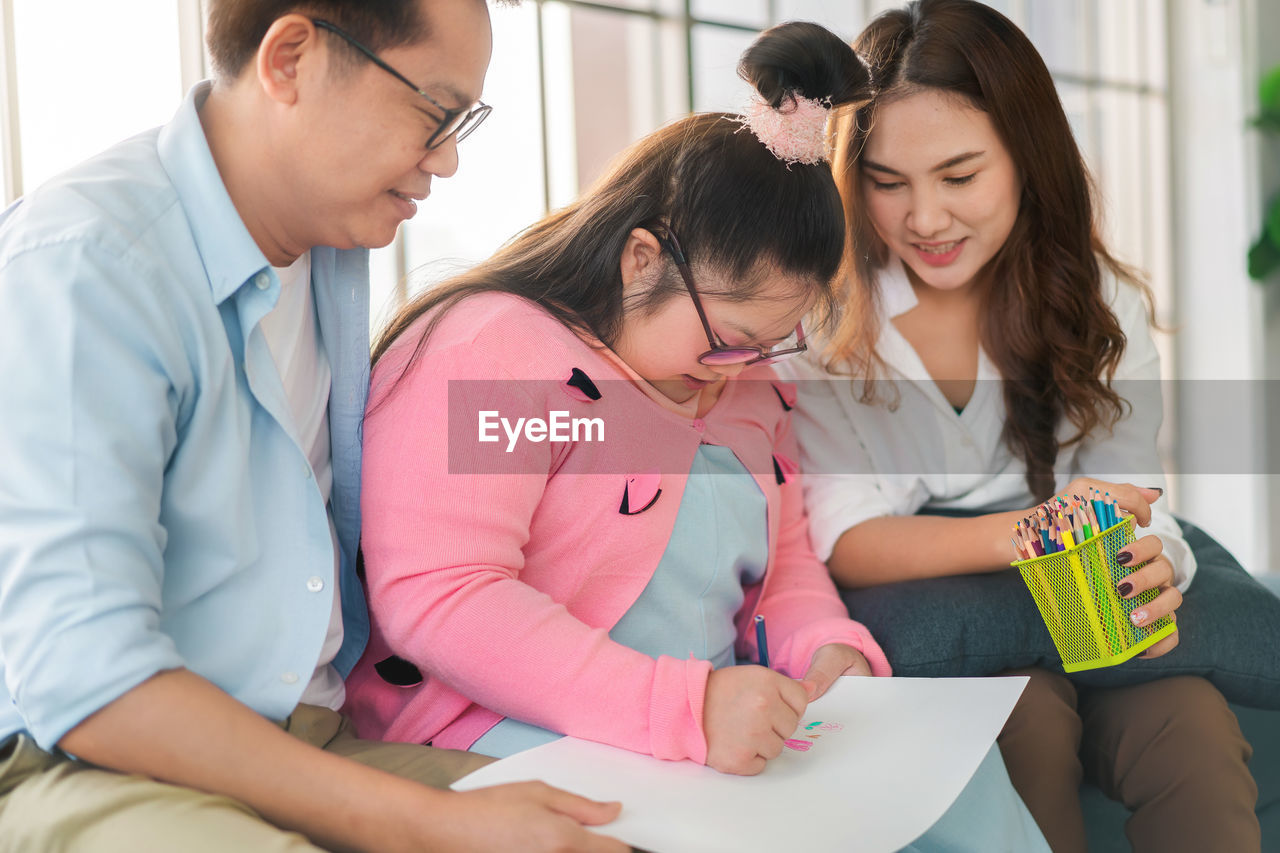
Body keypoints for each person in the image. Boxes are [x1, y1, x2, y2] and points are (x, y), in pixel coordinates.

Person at [345, 20, 1050, 851]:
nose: (738, 367)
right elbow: (446, 596)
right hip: (506, 728)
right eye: (727, 335)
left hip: (702, 726)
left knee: (961, 783)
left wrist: (831, 652)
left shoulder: (748, 387)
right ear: (642, 258)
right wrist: (682, 708)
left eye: (770, 342)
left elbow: (786, 571)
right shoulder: (499, 351)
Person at [0, 2, 630, 851]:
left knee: (634, 825)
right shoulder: (88, 266)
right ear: (291, 59)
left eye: (464, 124)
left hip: (310, 736)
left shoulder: (331, 252)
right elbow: (84, 673)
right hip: (92, 759)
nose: (445, 161)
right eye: (434, 113)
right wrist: (429, 824)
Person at [778, 2, 1260, 851]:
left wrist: (1157, 557)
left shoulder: (1103, 305)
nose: (924, 218)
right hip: (941, 607)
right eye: (888, 182)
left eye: (959, 176)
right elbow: (847, 537)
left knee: (1195, 732)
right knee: (1023, 725)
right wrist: (1032, 533)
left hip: (1081, 586)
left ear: (1028, 161)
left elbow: (1126, 493)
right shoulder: (823, 324)